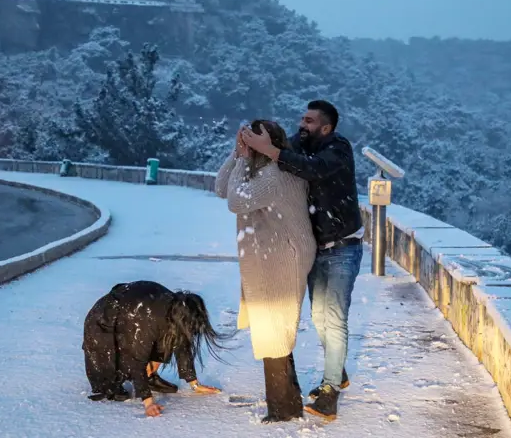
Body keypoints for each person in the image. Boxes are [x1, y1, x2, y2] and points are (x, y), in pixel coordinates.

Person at [241, 100, 363, 421]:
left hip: (343, 247)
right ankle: (338, 371)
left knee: (332, 319)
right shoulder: (300, 144)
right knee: (320, 317)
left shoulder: (338, 148)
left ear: (326, 127)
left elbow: (313, 169)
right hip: (315, 247)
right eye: (302, 118)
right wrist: (251, 146)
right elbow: (280, 152)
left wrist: (272, 151)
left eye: (309, 121)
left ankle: (331, 390)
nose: (302, 124)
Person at [214, 119, 317, 424]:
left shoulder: (276, 174)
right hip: (270, 254)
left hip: (283, 256)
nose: (247, 145)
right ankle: (287, 401)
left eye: (252, 140)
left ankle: (283, 409)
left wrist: (245, 158)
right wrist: (237, 153)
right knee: (273, 328)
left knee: (274, 328)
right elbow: (222, 187)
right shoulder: (261, 170)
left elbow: (235, 201)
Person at [82, 281, 227, 418]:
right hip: (102, 325)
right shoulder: (148, 318)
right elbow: (136, 357)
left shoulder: (175, 310)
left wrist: (195, 384)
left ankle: (149, 376)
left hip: (133, 316)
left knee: (170, 336)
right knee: (110, 389)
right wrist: (148, 402)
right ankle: (131, 379)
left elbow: (182, 342)